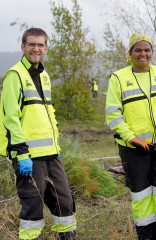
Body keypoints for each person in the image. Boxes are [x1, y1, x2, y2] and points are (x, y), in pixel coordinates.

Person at [105, 33, 156, 240]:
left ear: (152, 52)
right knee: (141, 197)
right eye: (138, 50)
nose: (143, 54)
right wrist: (132, 138)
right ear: (130, 53)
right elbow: (113, 115)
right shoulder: (118, 78)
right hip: (134, 149)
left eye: (147, 50)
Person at [0, 28, 76, 239]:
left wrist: (56, 148)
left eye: (40, 44)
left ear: (46, 48)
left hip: (51, 153)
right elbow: (11, 118)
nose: (36, 48)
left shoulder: (44, 76)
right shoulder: (14, 76)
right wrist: (21, 152)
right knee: (33, 208)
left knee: (64, 202)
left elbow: (48, 114)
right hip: (28, 156)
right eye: (31, 44)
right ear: (23, 47)